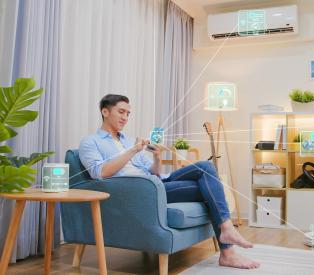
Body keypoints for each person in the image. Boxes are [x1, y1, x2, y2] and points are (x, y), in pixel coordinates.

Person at [79, 94, 260, 269]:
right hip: (142, 191)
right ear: (105, 112)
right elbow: (100, 173)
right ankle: (227, 249)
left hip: (157, 182)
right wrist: (133, 150)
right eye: (121, 112)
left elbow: (155, 173)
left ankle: (227, 233)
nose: (125, 117)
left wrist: (157, 158)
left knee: (206, 167)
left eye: (128, 113)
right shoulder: (91, 142)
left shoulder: (127, 141)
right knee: (209, 188)